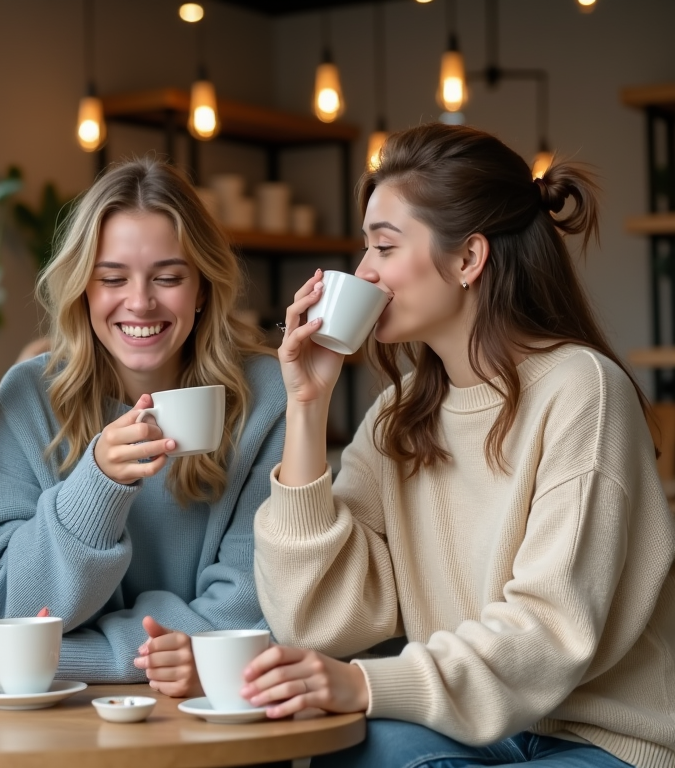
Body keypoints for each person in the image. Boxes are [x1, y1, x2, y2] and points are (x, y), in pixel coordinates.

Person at [245, 124, 675, 768]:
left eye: (384, 247)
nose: (362, 271)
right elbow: (317, 619)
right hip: (478, 728)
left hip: (600, 737)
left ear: (469, 259)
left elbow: (552, 629)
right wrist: (307, 406)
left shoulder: (581, 389)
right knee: (352, 750)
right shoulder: (400, 411)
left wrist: (366, 685)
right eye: (366, 248)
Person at [0, 158, 286, 695]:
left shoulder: (264, 394)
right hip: (62, 727)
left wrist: (79, 656)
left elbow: (255, 606)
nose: (140, 301)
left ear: (202, 287)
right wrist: (99, 484)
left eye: (168, 277)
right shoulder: (27, 399)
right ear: (83, 289)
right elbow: (3, 611)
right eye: (112, 278)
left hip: (215, 709)